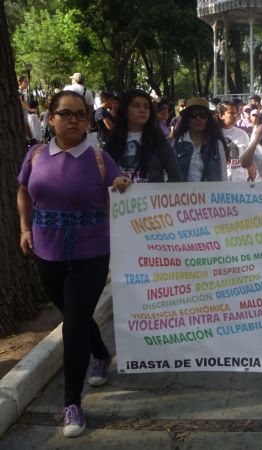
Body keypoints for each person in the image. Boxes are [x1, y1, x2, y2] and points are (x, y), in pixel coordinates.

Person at [16, 90, 124, 438]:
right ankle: (101, 353)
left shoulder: (99, 158)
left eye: (81, 114)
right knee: (72, 315)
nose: (74, 120)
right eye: (66, 113)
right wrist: (24, 227)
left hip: (91, 253)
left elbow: (123, 186)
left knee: (74, 323)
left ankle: (72, 403)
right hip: (46, 251)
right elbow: (22, 190)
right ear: (51, 119)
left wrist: (122, 184)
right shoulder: (34, 155)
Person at [104, 89, 181, 183]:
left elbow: (175, 176)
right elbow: (103, 174)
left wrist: (161, 194)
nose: (142, 110)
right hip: (121, 196)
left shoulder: (158, 140)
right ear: (125, 111)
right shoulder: (113, 140)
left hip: (151, 196)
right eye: (136, 106)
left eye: (146, 107)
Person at [172, 97, 227, 182]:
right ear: (187, 119)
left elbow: (223, 176)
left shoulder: (217, 144)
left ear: (207, 118)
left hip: (211, 194)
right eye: (193, 115)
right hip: (184, 195)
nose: (198, 118)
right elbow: (169, 176)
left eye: (202, 115)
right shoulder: (176, 144)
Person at [217, 100, 253, 181]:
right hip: (220, 184)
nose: (235, 115)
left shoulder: (242, 134)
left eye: (236, 113)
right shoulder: (213, 135)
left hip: (240, 184)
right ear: (221, 116)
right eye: (231, 113)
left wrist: (252, 178)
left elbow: (249, 160)